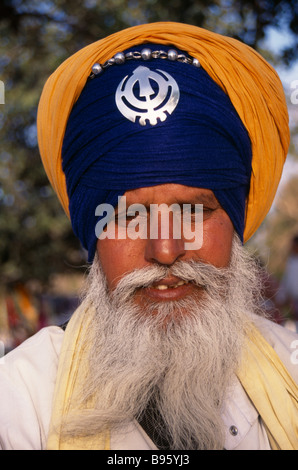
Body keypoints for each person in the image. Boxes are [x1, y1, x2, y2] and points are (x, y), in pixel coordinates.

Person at [0, 22, 297, 451]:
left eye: (194, 211)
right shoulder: (20, 404)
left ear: (234, 218)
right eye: (130, 216)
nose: (165, 250)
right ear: (92, 230)